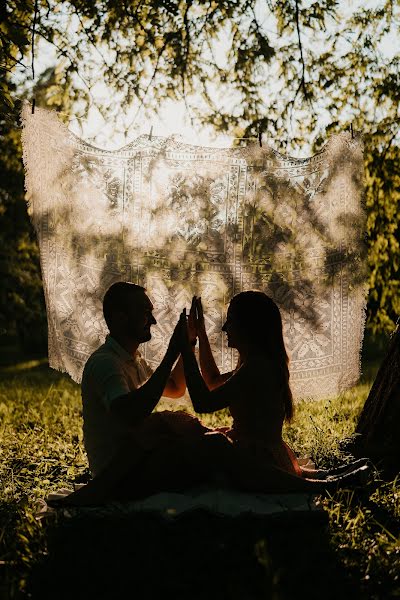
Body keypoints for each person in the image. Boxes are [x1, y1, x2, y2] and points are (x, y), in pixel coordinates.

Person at [178, 292, 369, 490]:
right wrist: (198, 334)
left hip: (257, 459)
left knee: (213, 442)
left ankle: (328, 484)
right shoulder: (255, 363)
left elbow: (203, 403)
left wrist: (185, 348)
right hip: (262, 453)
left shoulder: (257, 367)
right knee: (203, 436)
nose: (225, 328)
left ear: (249, 327)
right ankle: (329, 477)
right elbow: (213, 381)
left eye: (231, 321)